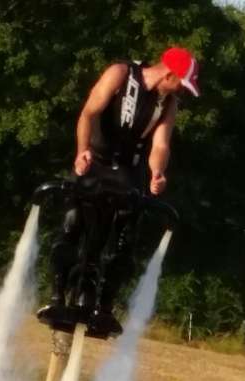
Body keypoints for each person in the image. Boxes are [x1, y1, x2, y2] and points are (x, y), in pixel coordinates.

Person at [38, 48, 199, 331]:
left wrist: (157, 172)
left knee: (125, 239)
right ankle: (58, 295)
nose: (182, 92)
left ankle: (104, 305)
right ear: (170, 74)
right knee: (72, 226)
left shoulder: (169, 103)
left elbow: (161, 145)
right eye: (182, 85)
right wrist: (81, 152)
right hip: (95, 161)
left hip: (129, 171)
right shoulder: (120, 74)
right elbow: (88, 113)